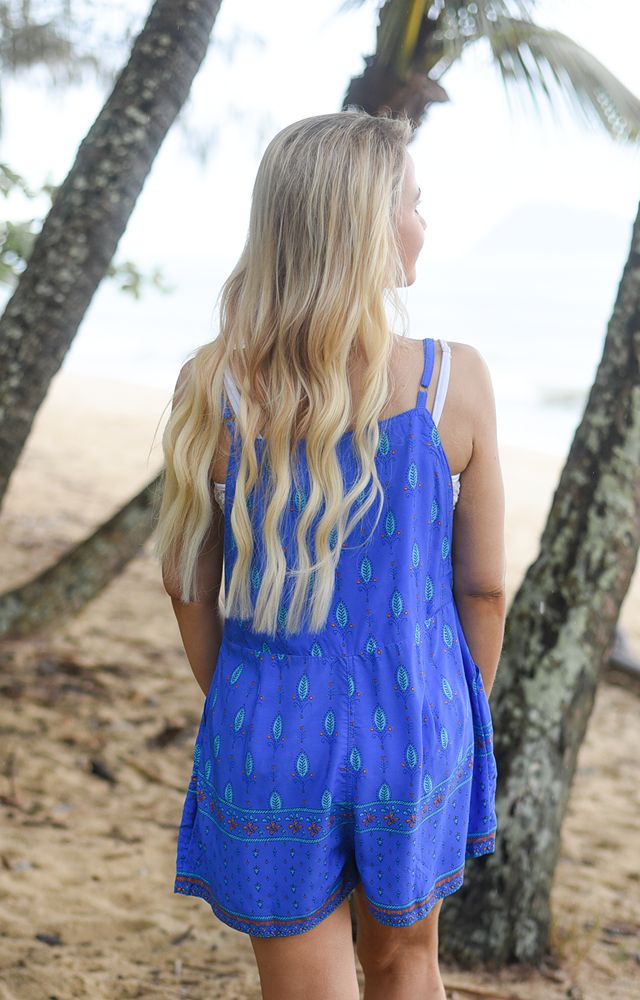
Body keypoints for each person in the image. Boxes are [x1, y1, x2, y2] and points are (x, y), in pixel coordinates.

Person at [152, 110, 506, 1000]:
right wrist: (452, 717)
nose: (425, 223)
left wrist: (237, 690)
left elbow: (187, 578)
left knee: (304, 981)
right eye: (415, 203)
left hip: (268, 727)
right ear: (369, 226)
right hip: (417, 722)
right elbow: (486, 587)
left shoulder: (215, 383)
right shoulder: (449, 381)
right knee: (407, 963)